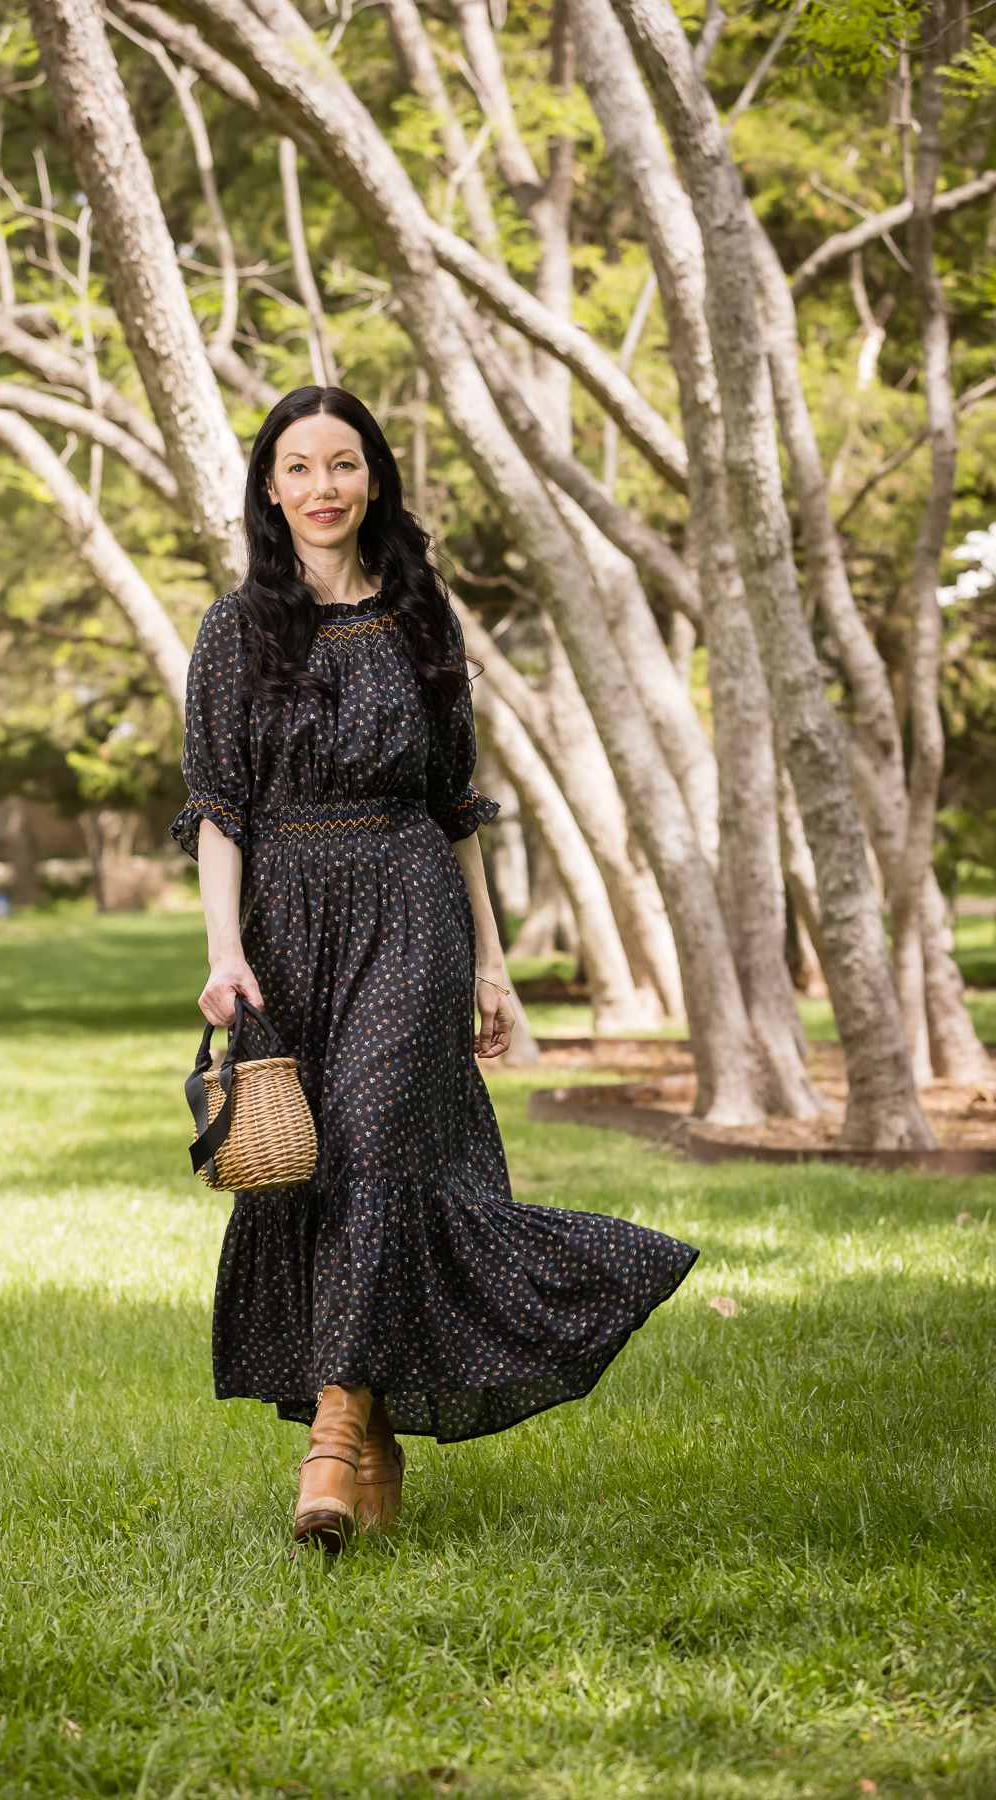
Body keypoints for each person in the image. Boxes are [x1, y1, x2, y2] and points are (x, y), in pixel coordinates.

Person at [172, 386, 697, 1551]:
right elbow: (216, 808)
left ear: (374, 480)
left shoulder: (422, 616)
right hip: (287, 920)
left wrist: (494, 966)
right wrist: (222, 950)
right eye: (298, 467)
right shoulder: (234, 630)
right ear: (269, 488)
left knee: (367, 1143)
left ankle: (329, 1439)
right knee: (326, 1174)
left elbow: (453, 805)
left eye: (343, 465)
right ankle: (377, 1437)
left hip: (411, 906)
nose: (321, 488)